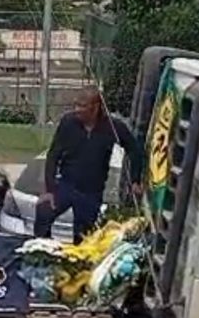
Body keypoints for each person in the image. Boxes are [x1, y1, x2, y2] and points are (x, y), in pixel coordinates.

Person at [35, 87, 143, 243]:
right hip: (66, 185)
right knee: (44, 211)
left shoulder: (112, 127)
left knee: (84, 236)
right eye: (76, 105)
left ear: (96, 107)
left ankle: (76, 262)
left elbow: (134, 150)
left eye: (82, 106)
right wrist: (50, 189)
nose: (77, 110)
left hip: (91, 192)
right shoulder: (68, 123)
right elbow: (53, 155)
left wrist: (135, 180)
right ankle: (42, 251)